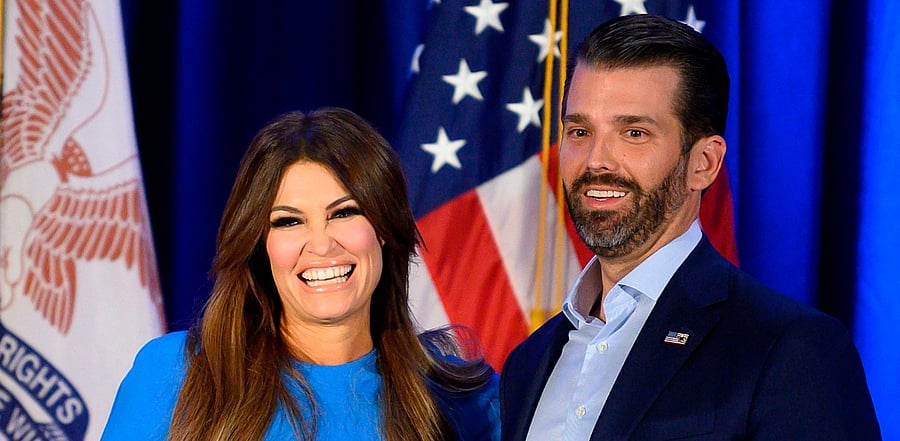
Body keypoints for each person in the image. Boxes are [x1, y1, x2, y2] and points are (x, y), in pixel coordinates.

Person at [500, 14, 881, 441]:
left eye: (635, 132)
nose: (595, 161)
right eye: (580, 130)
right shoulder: (527, 363)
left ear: (703, 164)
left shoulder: (790, 349)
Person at [102, 108, 500, 440]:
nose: (322, 244)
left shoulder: (465, 398)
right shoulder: (176, 375)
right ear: (260, 243)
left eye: (344, 213)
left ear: (383, 226)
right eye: (289, 222)